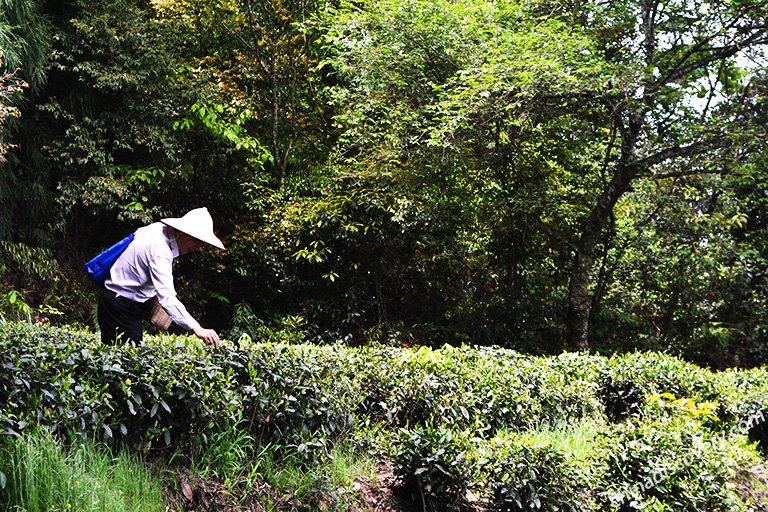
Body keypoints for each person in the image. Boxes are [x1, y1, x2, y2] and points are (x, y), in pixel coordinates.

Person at [97, 207, 225, 346]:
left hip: (118, 303)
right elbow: (167, 298)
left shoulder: (156, 229)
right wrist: (197, 328)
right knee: (126, 363)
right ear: (183, 232)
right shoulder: (160, 250)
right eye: (197, 240)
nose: (198, 247)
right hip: (119, 307)